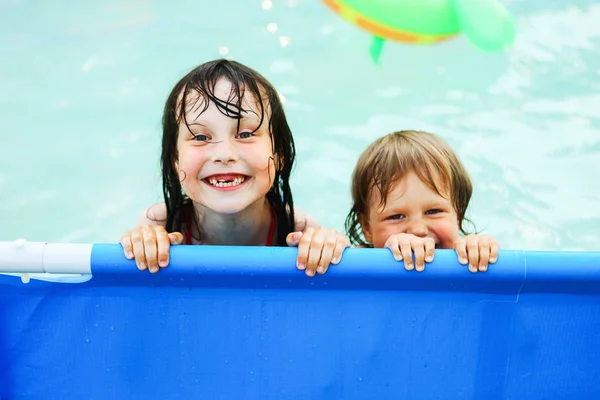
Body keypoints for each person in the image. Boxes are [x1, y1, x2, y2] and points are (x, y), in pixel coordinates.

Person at [120, 59, 349, 277]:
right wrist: (140, 244)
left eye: (246, 134)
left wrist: (330, 245)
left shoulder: (299, 232)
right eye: (200, 137)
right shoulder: (161, 226)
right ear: (175, 159)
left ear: (278, 154)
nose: (224, 155)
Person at [345, 130, 499, 273]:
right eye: (396, 216)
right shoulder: (356, 263)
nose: (418, 230)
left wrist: (482, 250)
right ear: (367, 227)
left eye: (433, 211)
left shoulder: (466, 256)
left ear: (457, 214)